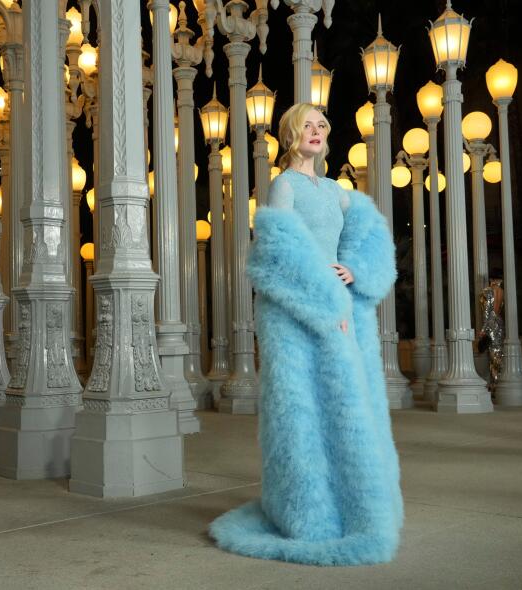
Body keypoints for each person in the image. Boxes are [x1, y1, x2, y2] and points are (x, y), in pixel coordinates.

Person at [208, 103, 402, 566]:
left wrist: (353, 273)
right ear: (291, 135)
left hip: (339, 318)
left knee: (347, 410)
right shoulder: (283, 185)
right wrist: (323, 301)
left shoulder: (338, 192)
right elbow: (278, 255)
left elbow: (367, 247)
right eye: (306, 126)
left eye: (320, 126)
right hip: (294, 316)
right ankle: (307, 514)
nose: (315, 132)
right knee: (299, 413)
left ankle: (351, 507)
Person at [479, 273, 504, 392]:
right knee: (498, 353)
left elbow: (487, 313)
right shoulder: (502, 291)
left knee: (491, 354)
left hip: (491, 324)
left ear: (491, 279)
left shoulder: (488, 291)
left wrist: (483, 329)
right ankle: (497, 382)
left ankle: (493, 384)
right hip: (499, 323)